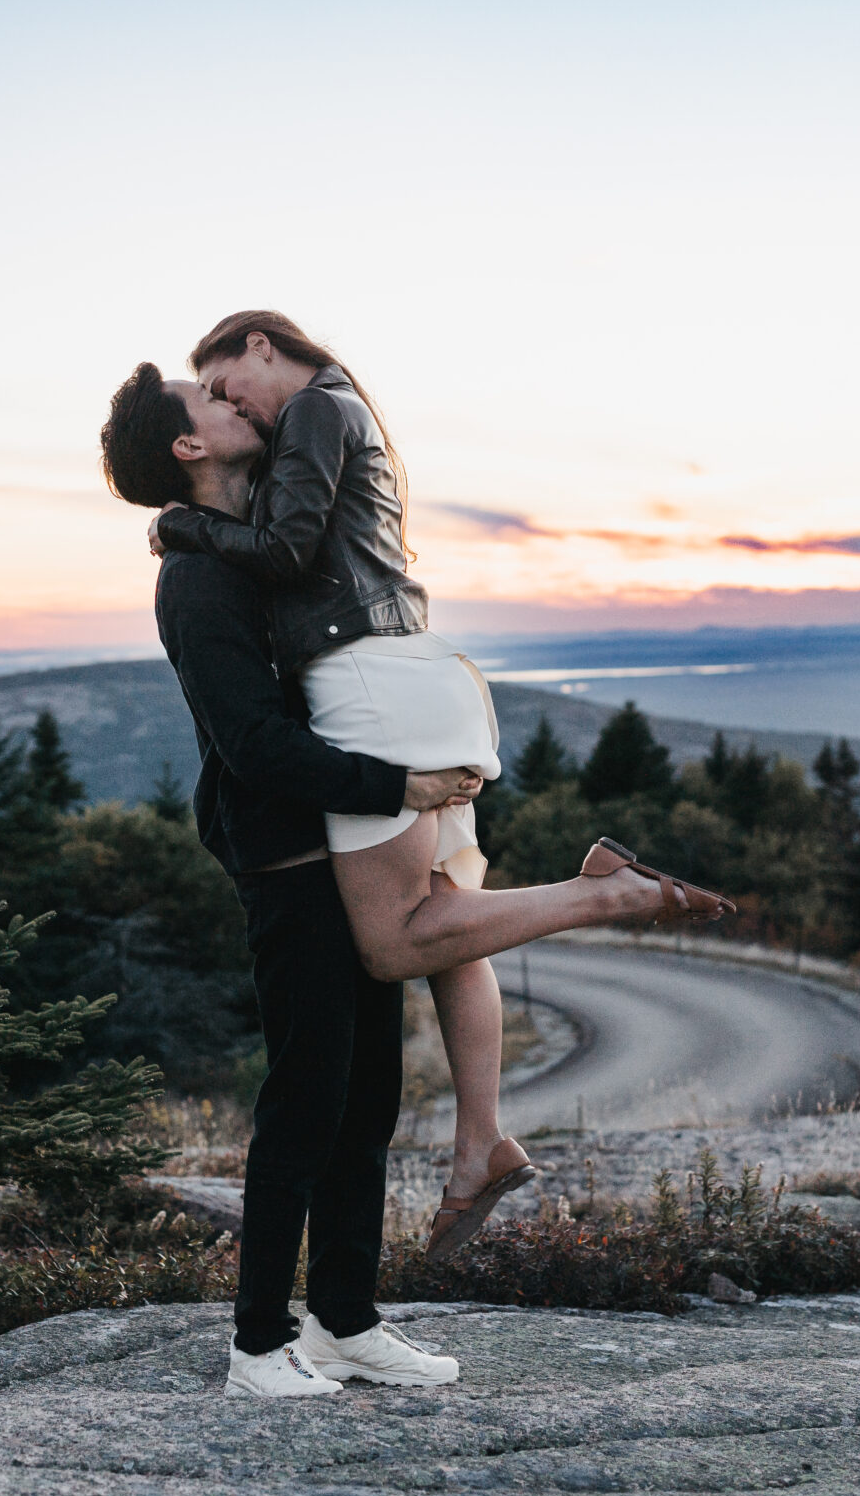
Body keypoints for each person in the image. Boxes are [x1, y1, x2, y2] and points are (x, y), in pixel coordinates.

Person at [150, 311, 725, 1254]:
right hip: (412, 677)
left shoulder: (311, 411)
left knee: (389, 945)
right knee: (456, 923)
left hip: (374, 688)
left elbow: (291, 551)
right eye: (209, 400)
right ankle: (479, 1141)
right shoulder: (335, 415)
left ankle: (604, 892)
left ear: (259, 344)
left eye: (221, 380)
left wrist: (186, 526)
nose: (226, 400)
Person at [102, 362, 464, 1399]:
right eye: (212, 401)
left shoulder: (259, 546)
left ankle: (347, 1321)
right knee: (306, 1101)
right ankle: (258, 1346)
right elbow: (255, 746)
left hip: (351, 846)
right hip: (288, 857)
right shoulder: (199, 580)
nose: (236, 403)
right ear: (188, 447)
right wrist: (403, 781)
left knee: (369, 1101)